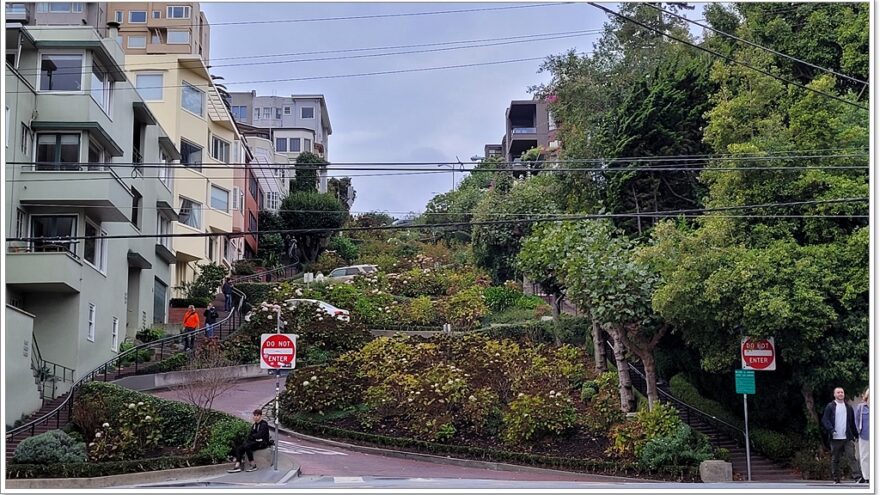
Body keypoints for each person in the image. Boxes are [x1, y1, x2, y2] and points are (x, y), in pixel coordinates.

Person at [821, 386, 859, 483]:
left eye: (842, 392)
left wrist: (856, 435)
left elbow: (852, 423)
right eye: (838, 392)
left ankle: (857, 477)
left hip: (847, 437)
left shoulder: (848, 407)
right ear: (834, 395)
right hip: (835, 437)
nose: (840, 394)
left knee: (852, 457)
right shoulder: (830, 406)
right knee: (835, 459)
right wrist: (831, 430)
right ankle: (836, 478)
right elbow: (825, 420)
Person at [228, 409, 271, 473]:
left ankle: (253, 465)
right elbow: (250, 434)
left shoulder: (263, 424)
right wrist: (249, 438)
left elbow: (259, 435)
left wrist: (252, 437)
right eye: (254, 415)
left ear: (260, 416)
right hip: (255, 442)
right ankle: (237, 466)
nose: (255, 417)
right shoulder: (254, 425)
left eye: (257, 415)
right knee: (240, 448)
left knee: (248, 446)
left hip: (262, 442)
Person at [855, 388, 870, 484]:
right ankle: (866, 476)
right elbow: (856, 420)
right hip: (864, 435)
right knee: (865, 456)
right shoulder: (861, 407)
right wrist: (858, 432)